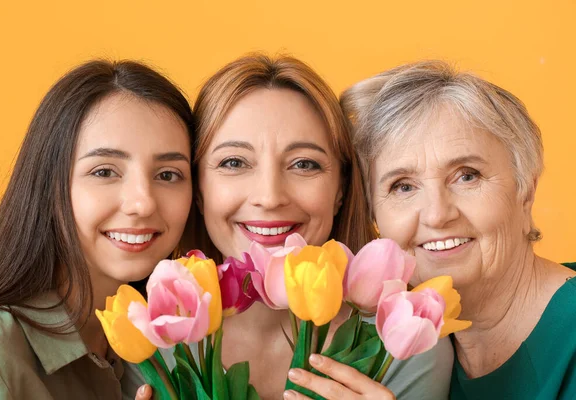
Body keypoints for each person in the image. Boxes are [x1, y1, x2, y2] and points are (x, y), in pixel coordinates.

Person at [133, 54, 453, 400]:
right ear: (198, 189)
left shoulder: (406, 337)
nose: (270, 197)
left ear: (341, 189)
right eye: (234, 162)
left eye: (304, 164)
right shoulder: (149, 336)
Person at [341, 60, 576, 399]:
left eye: (467, 175)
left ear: (526, 191)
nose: (437, 215)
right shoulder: (406, 351)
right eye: (403, 186)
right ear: (375, 217)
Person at [0, 59, 195, 399]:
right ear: (49, 184)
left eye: (168, 174)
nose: (143, 203)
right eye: (105, 171)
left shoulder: (165, 350)